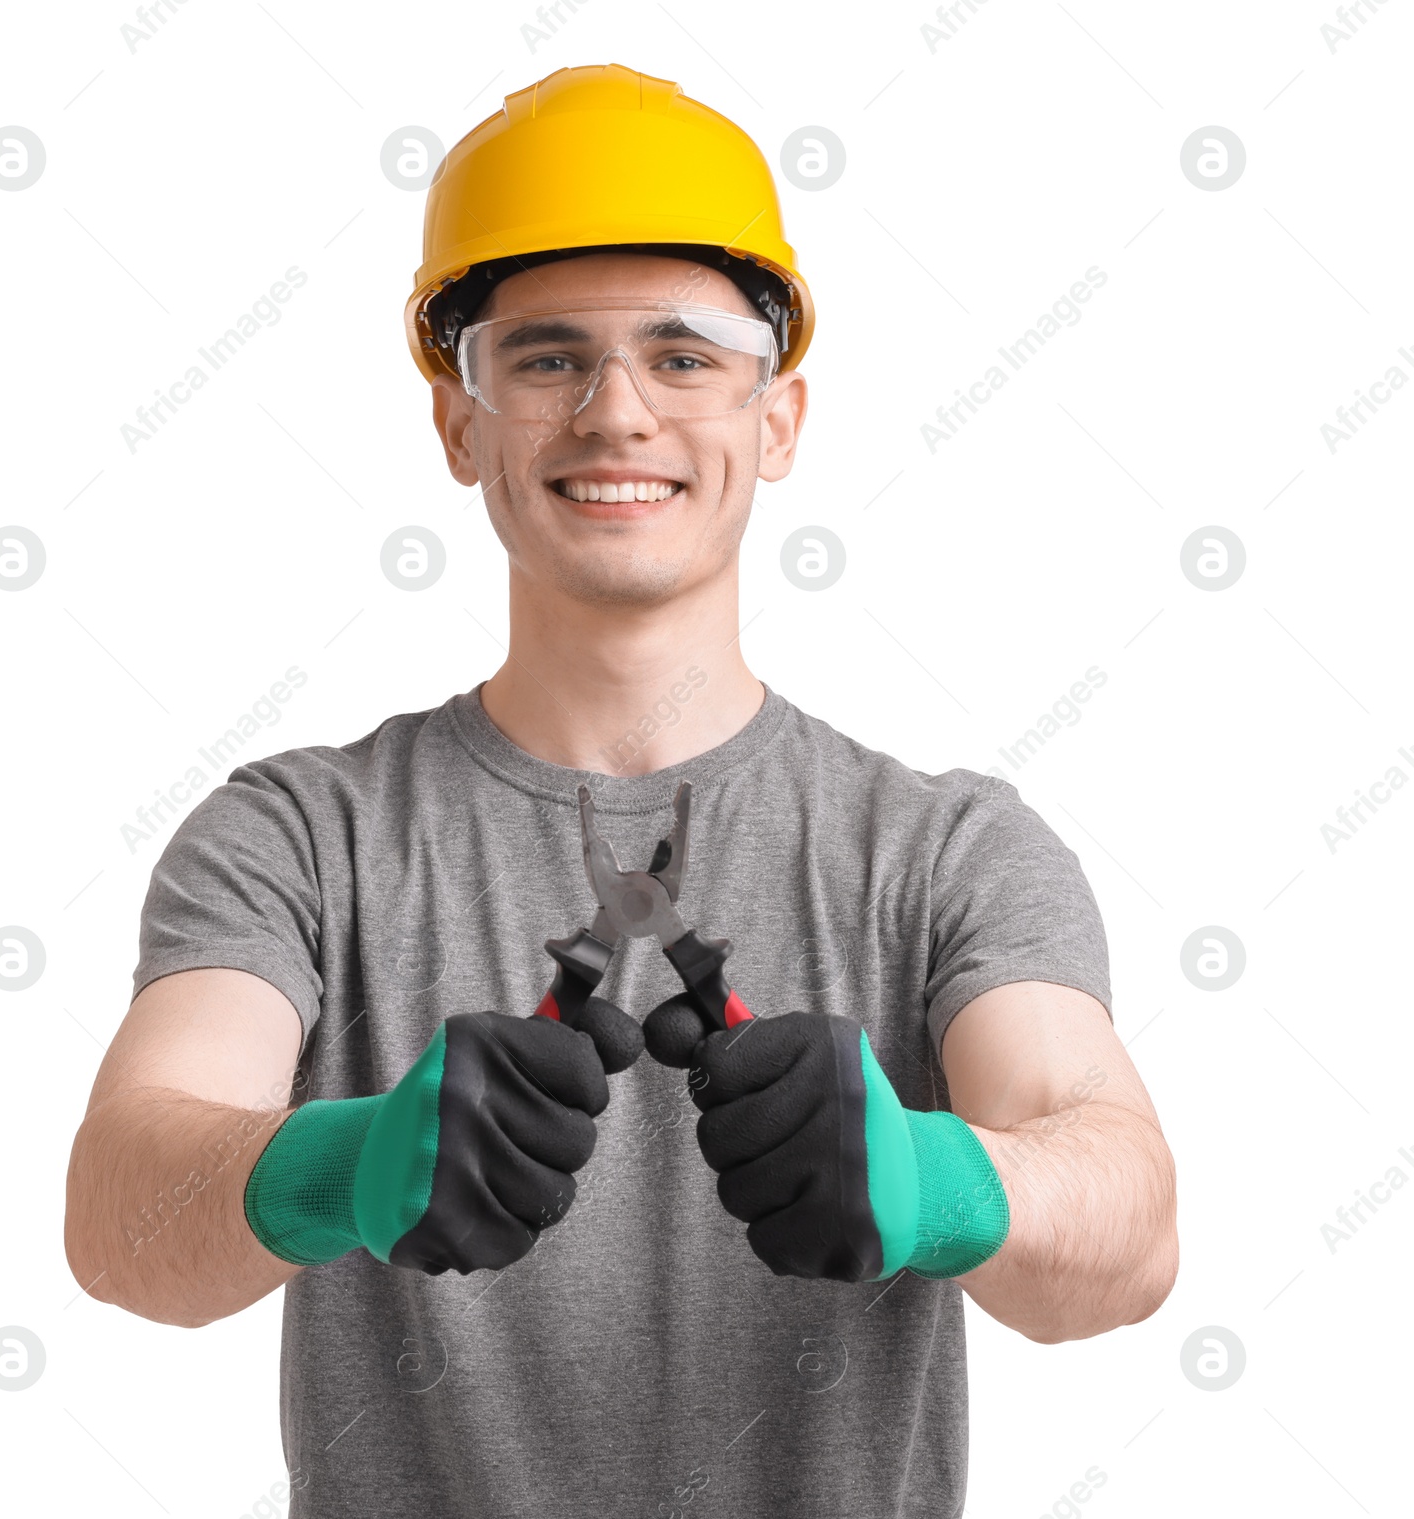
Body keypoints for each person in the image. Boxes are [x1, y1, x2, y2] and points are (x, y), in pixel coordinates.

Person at [63, 62, 1177, 1518]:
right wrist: (340, 1164)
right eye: (544, 358)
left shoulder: (945, 849)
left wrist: (935, 1183)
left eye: (686, 351)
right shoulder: (300, 835)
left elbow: (1130, 1231)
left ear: (777, 418)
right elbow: (117, 1219)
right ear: (462, 427)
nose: (617, 412)